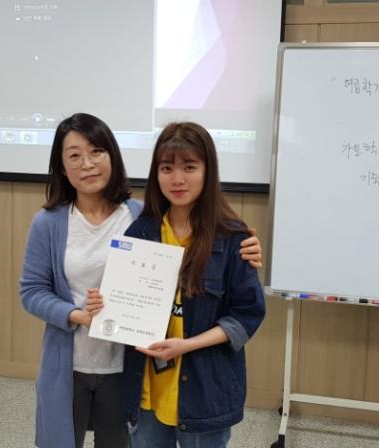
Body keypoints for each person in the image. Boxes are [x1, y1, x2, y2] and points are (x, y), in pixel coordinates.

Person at [19, 113, 262, 448]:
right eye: (74, 155)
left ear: (112, 157)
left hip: (138, 369)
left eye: (96, 151)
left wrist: (247, 247)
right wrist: (79, 315)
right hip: (89, 365)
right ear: (61, 166)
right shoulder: (63, 224)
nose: (87, 164)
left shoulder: (138, 217)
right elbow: (31, 291)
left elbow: (242, 306)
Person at [90, 121, 266, 448]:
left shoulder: (233, 238)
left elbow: (247, 315)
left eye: (189, 167)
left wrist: (186, 345)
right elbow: (121, 306)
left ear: (207, 170)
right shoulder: (141, 233)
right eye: (166, 168)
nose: (177, 179)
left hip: (205, 391)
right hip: (146, 389)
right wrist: (102, 305)